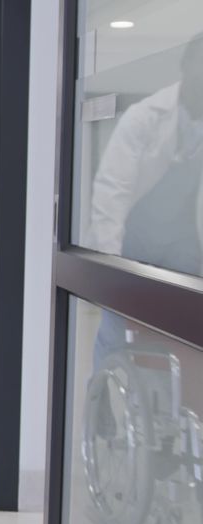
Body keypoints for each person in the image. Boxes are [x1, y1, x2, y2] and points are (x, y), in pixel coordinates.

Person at [87, 32, 203, 371]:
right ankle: (104, 412)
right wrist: (108, 267)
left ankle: (173, 414)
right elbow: (112, 191)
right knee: (115, 336)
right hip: (134, 245)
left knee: (181, 343)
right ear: (185, 67)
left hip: (183, 249)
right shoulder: (144, 117)